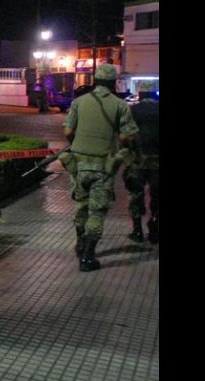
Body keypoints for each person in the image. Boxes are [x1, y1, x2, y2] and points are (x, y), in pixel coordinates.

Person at [62, 63, 139, 272]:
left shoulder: (78, 102)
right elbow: (128, 136)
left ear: (95, 81)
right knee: (96, 211)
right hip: (103, 167)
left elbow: (68, 131)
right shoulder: (120, 105)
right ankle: (88, 257)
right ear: (113, 83)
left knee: (81, 206)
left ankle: (80, 244)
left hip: (78, 165)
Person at [123, 81, 159, 244]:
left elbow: (125, 135)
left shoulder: (132, 111)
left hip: (137, 159)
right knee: (157, 194)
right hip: (157, 160)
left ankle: (137, 230)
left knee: (135, 193)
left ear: (140, 95)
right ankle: (155, 223)